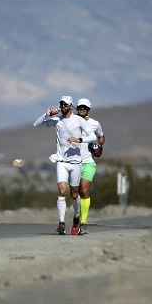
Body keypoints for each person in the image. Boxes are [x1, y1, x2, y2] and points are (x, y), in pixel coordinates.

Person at [33, 95, 96, 235]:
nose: (62, 107)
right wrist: (46, 114)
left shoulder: (78, 120)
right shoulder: (57, 120)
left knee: (74, 194)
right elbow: (36, 125)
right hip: (61, 161)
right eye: (61, 104)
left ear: (71, 106)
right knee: (62, 191)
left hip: (76, 163)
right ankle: (61, 223)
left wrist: (79, 139)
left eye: (65, 105)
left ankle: (77, 216)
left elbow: (93, 136)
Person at [75, 98, 105, 235]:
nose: (82, 109)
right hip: (72, 162)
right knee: (75, 193)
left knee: (84, 190)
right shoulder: (70, 121)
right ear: (77, 108)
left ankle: (84, 222)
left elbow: (101, 136)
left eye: (85, 107)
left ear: (88, 109)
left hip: (88, 162)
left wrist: (99, 147)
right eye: (80, 107)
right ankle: (76, 215)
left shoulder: (94, 124)